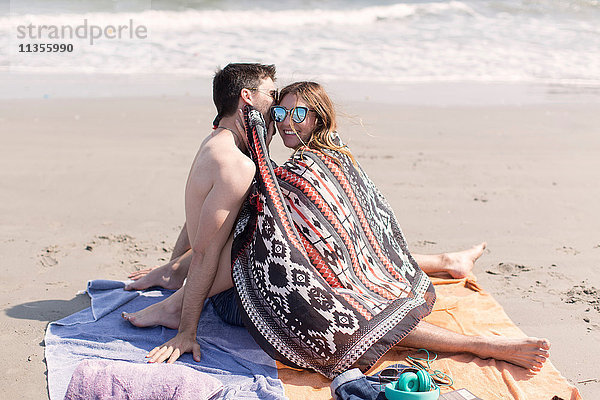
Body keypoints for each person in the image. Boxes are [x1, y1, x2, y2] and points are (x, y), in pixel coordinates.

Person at [125, 81, 550, 375]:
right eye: (279, 111)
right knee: (248, 216)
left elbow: (343, 231)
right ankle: (445, 261)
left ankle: (481, 344)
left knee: (356, 319)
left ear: (317, 117)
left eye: (298, 112)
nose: (286, 121)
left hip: (338, 285)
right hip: (342, 267)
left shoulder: (307, 168)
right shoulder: (331, 153)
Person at [121, 63, 278, 363]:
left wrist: (173, 268)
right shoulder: (237, 166)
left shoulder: (217, 141)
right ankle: (174, 306)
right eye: (272, 94)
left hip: (200, 280)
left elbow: (202, 222)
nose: (276, 102)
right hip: (229, 303)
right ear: (247, 96)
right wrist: (185, 333)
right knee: (262, 232)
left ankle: (173, 277)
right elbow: (206, 252)